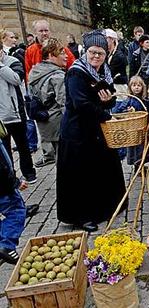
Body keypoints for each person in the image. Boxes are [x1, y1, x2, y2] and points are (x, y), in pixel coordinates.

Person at [56, 30, 127, 232]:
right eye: (93, 52)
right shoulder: (76, 72)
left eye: (101, 53)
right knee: (81, 174)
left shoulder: (104, 71)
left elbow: (111, 97)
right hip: (77, 130)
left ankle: (106, 207)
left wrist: (108, 102)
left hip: (96, 129)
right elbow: (81, 104)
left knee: (102, 168)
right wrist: (105, 113)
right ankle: (81, 216)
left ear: (106, 55)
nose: (96, 57)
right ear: (86, 52)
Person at [0, 42, 37, 184]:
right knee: (5, 151)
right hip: (1, 117)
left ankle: (29, 173)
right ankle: (11, 178)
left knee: (23, 146)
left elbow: (17, 79)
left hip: (15, 113)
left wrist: (1, 66)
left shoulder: (12, 61)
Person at [28, 38, 67, 167]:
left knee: (59, 157)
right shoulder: (57, 76)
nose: (66, 56)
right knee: (66, 159)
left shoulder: (36, 71)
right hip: (59, 122)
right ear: (51, 55)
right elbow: (65, 104)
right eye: (61, 53)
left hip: (46, 121)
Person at [112, 76, 149, 167]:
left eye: (139, 85)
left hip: (142, 127)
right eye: (134, 85)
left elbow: (147, 112)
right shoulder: (129, 100)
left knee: (142, 146)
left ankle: (142, 162)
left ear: (142, 87)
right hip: (132, 129)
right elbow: (119, 111)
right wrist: (127, 111)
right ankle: (135, 163)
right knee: (133, 147)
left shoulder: (144, 100)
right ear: (130, 87)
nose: (136, 87)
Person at [0, 139, 27, 264]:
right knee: (15, 212)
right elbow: (3, 167)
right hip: (4, 190)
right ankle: (7, 246)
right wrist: (14, 182)